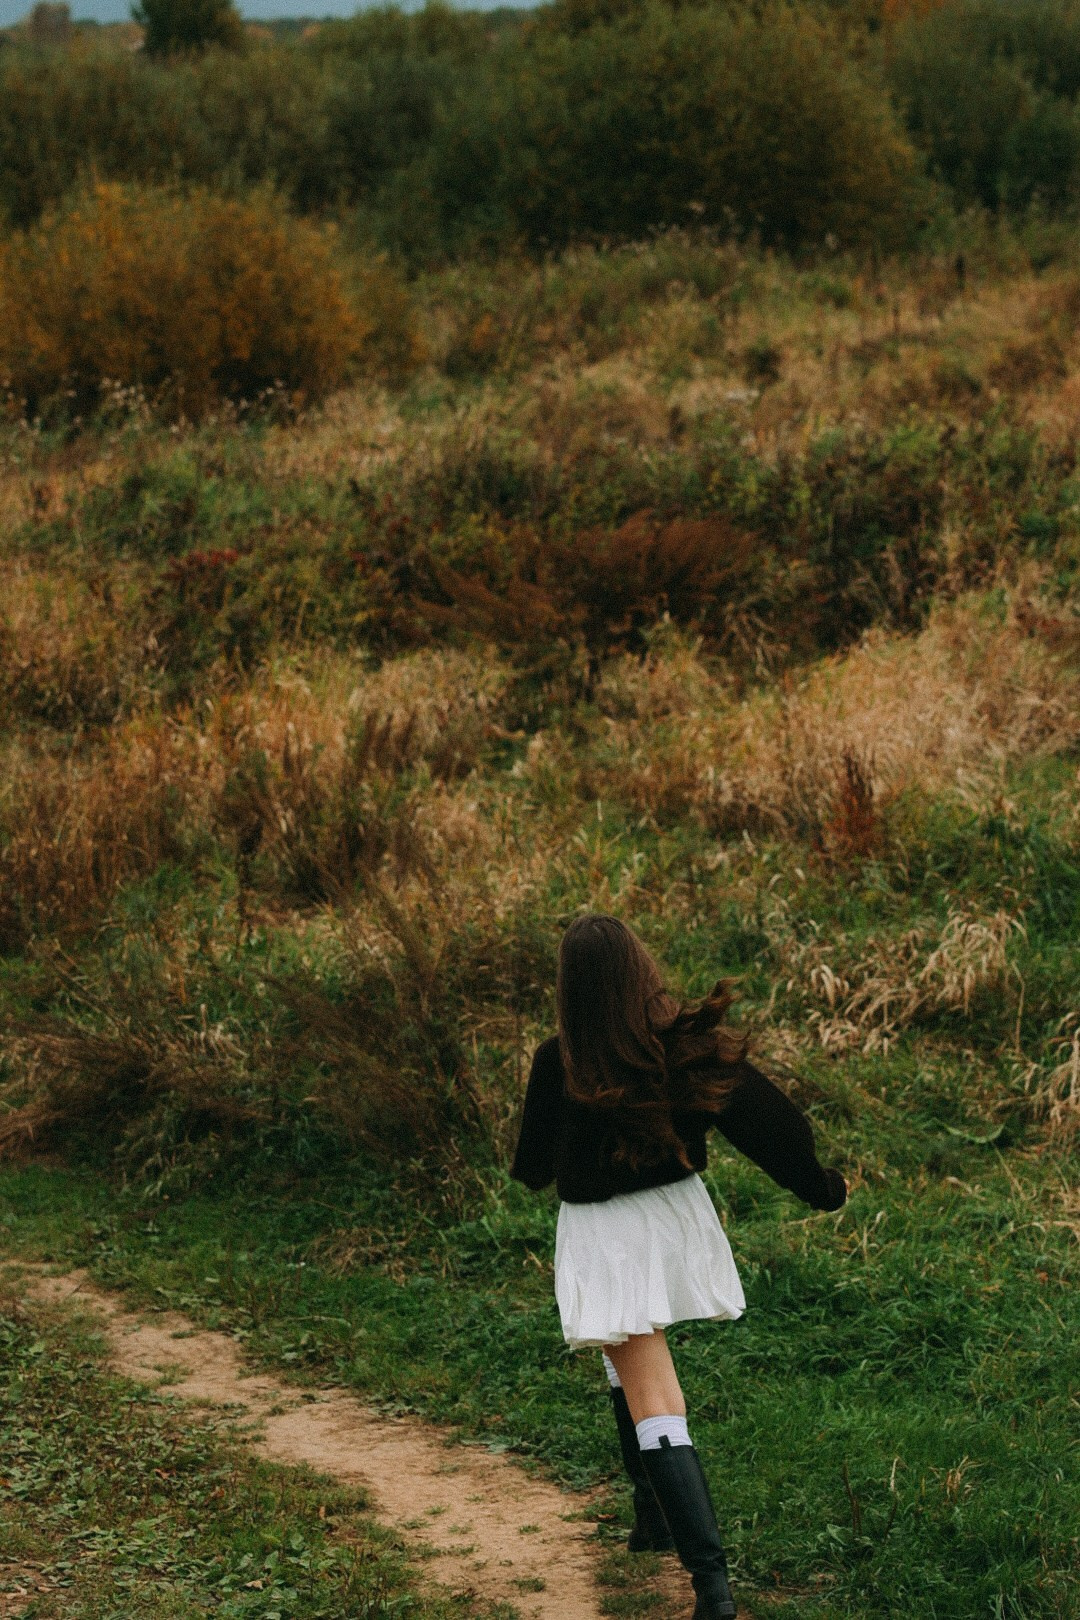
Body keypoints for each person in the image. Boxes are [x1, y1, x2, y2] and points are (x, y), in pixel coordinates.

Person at [510, 914, 848, 1620]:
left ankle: (712, 1588)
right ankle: (653, 1515)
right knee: (624, 1358)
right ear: (641, 968)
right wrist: (820, 1186)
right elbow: (769, 1122)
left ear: (572, 987)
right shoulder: (682, 1048)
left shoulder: (559, 1059)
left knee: (653, 1393)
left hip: (606, 1232)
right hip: (674, 1218)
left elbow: (532, 1171)